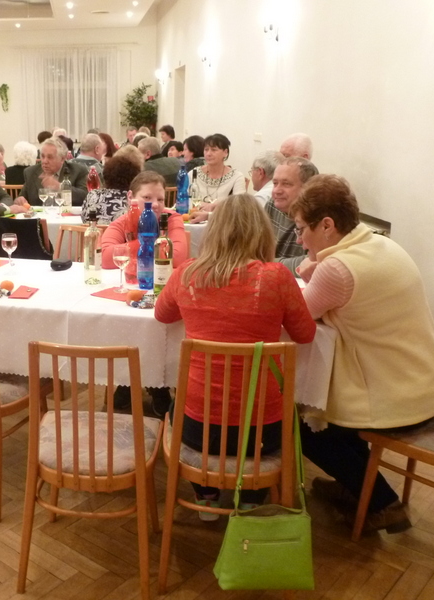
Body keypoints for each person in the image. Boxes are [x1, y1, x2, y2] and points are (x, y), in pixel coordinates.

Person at [291, 175, 434, 533]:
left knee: (302, 428)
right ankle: (355, 488)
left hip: (397, 395)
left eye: (302, 229)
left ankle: (383, 504)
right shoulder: (382, 245)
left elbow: (298, 317)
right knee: (332, 420)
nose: (299, 239)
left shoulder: (337, 269)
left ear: (327, 225)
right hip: (427, 382)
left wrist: (305, 269)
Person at [156, 194, 316, 513]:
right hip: (262, 432)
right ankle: (253, 498)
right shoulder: (277, 277)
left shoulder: (187, 273)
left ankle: (206, 493)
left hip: (198, 428)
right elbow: (305, 334)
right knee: (280, 415)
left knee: (174, 406)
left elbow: (162, 315)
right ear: (262, 233)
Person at [102, 171, 190, 417]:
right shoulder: (123, 221)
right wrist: (151, 242)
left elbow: (178, 257)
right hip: (129, 289)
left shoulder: (171, 219)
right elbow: (106, 257)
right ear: (131, 197)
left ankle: (157, 387)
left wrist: (132, 246)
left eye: (160, 199)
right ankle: (127, 380)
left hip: (163, 291)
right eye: (147, 198)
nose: (156, 204)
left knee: (157, 326)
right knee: (122, 324)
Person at [266, 157, 318, 275]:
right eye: (275, 183)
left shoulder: (317, 216)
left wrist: (267, 264)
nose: (277, 191)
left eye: (286, 184)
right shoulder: (272, 205)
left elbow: (314, 262)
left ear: (307, 187)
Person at [188, 134, 247, 223]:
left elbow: (238, 204)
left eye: (214, 150)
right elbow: (184, 199)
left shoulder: (237, 176)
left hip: (223, 223)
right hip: (194, 219)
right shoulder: (194, 173)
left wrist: (215, 206)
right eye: (206, 149)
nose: (208, 154)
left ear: (225, 152)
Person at [14, 137, 88, 206]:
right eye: (43, 156)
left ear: (62, 159)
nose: (45, 161)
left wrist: (59, 186)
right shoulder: (31, 172)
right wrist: (19, 200)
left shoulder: (78, 171)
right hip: (41, 215)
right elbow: (21, 197)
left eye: (50, 157)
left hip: (66, 215)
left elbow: (85, 197)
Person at [80, 153, 142, 224]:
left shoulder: (93, 195)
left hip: (93, 231)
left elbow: (84, 219)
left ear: (106, 175)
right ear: (134, 178)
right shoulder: (132, 200)